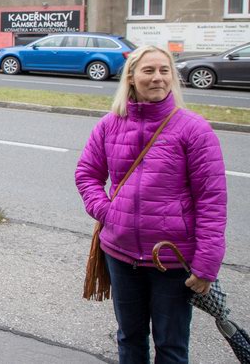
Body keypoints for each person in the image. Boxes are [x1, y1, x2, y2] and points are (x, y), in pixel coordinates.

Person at [75, 45, 227, 363]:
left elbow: (211, 201)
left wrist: (207, 264)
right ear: (131, 77)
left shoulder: (194, 129)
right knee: (129, 339)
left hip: (171, 260)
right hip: (121, 255)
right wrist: (107, 212)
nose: (158, 77)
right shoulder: (109, 124)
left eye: (164, 70)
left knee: (171, 346)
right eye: (149, 70)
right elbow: (87, 174)